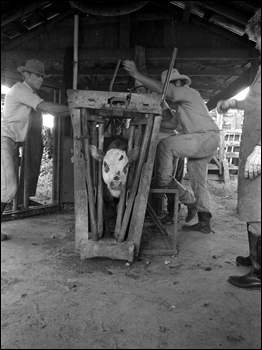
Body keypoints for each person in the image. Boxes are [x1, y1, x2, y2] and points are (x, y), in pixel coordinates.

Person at [123, 62, 220, 233]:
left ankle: (165, 182)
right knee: (199, 184)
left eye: (169, 86)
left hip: (205, 137)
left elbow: (167, 92)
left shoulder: (189, 92)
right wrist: (151, 120)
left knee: (166, 145)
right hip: (203, 142)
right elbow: (171, 124)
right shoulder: (182, 109)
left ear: (178, 83)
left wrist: (137, 74)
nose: (167, 91)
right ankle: (204, 222)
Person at [1, 59, 70, 241]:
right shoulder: (20, 90)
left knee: (6, 187)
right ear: (26, 75)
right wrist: (76, 109)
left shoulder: (28, 92)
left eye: (42, 75)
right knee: (9, 189)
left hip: (12, 143)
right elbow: (46, 107)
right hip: (4, 141)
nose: (41, 79)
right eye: (37, 75)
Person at [217, 8, 261, 290]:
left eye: (258, 37)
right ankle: (255, 257)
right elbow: (258, 104)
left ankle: (259, 272)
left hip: (259, 147)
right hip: (252, 144)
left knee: (258, 207)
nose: (256, 44)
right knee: (251, 205)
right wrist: (235, 103)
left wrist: (261, 148)